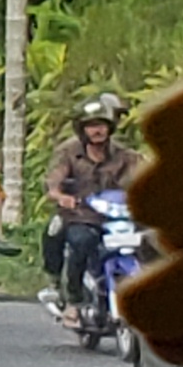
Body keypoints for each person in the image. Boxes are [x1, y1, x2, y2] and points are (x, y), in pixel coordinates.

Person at [43, 91, 144, 302]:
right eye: (90, 125)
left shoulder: (126, 156)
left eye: (101, 124)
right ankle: (72, 297)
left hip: (118, 218)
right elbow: (53, 181)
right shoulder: (69, 152)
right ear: (82, 129)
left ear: (110, 127)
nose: (97, 130)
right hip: (81, 216)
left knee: (154, 241)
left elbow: (149, 176)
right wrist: (61, 196)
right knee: (79, 240)